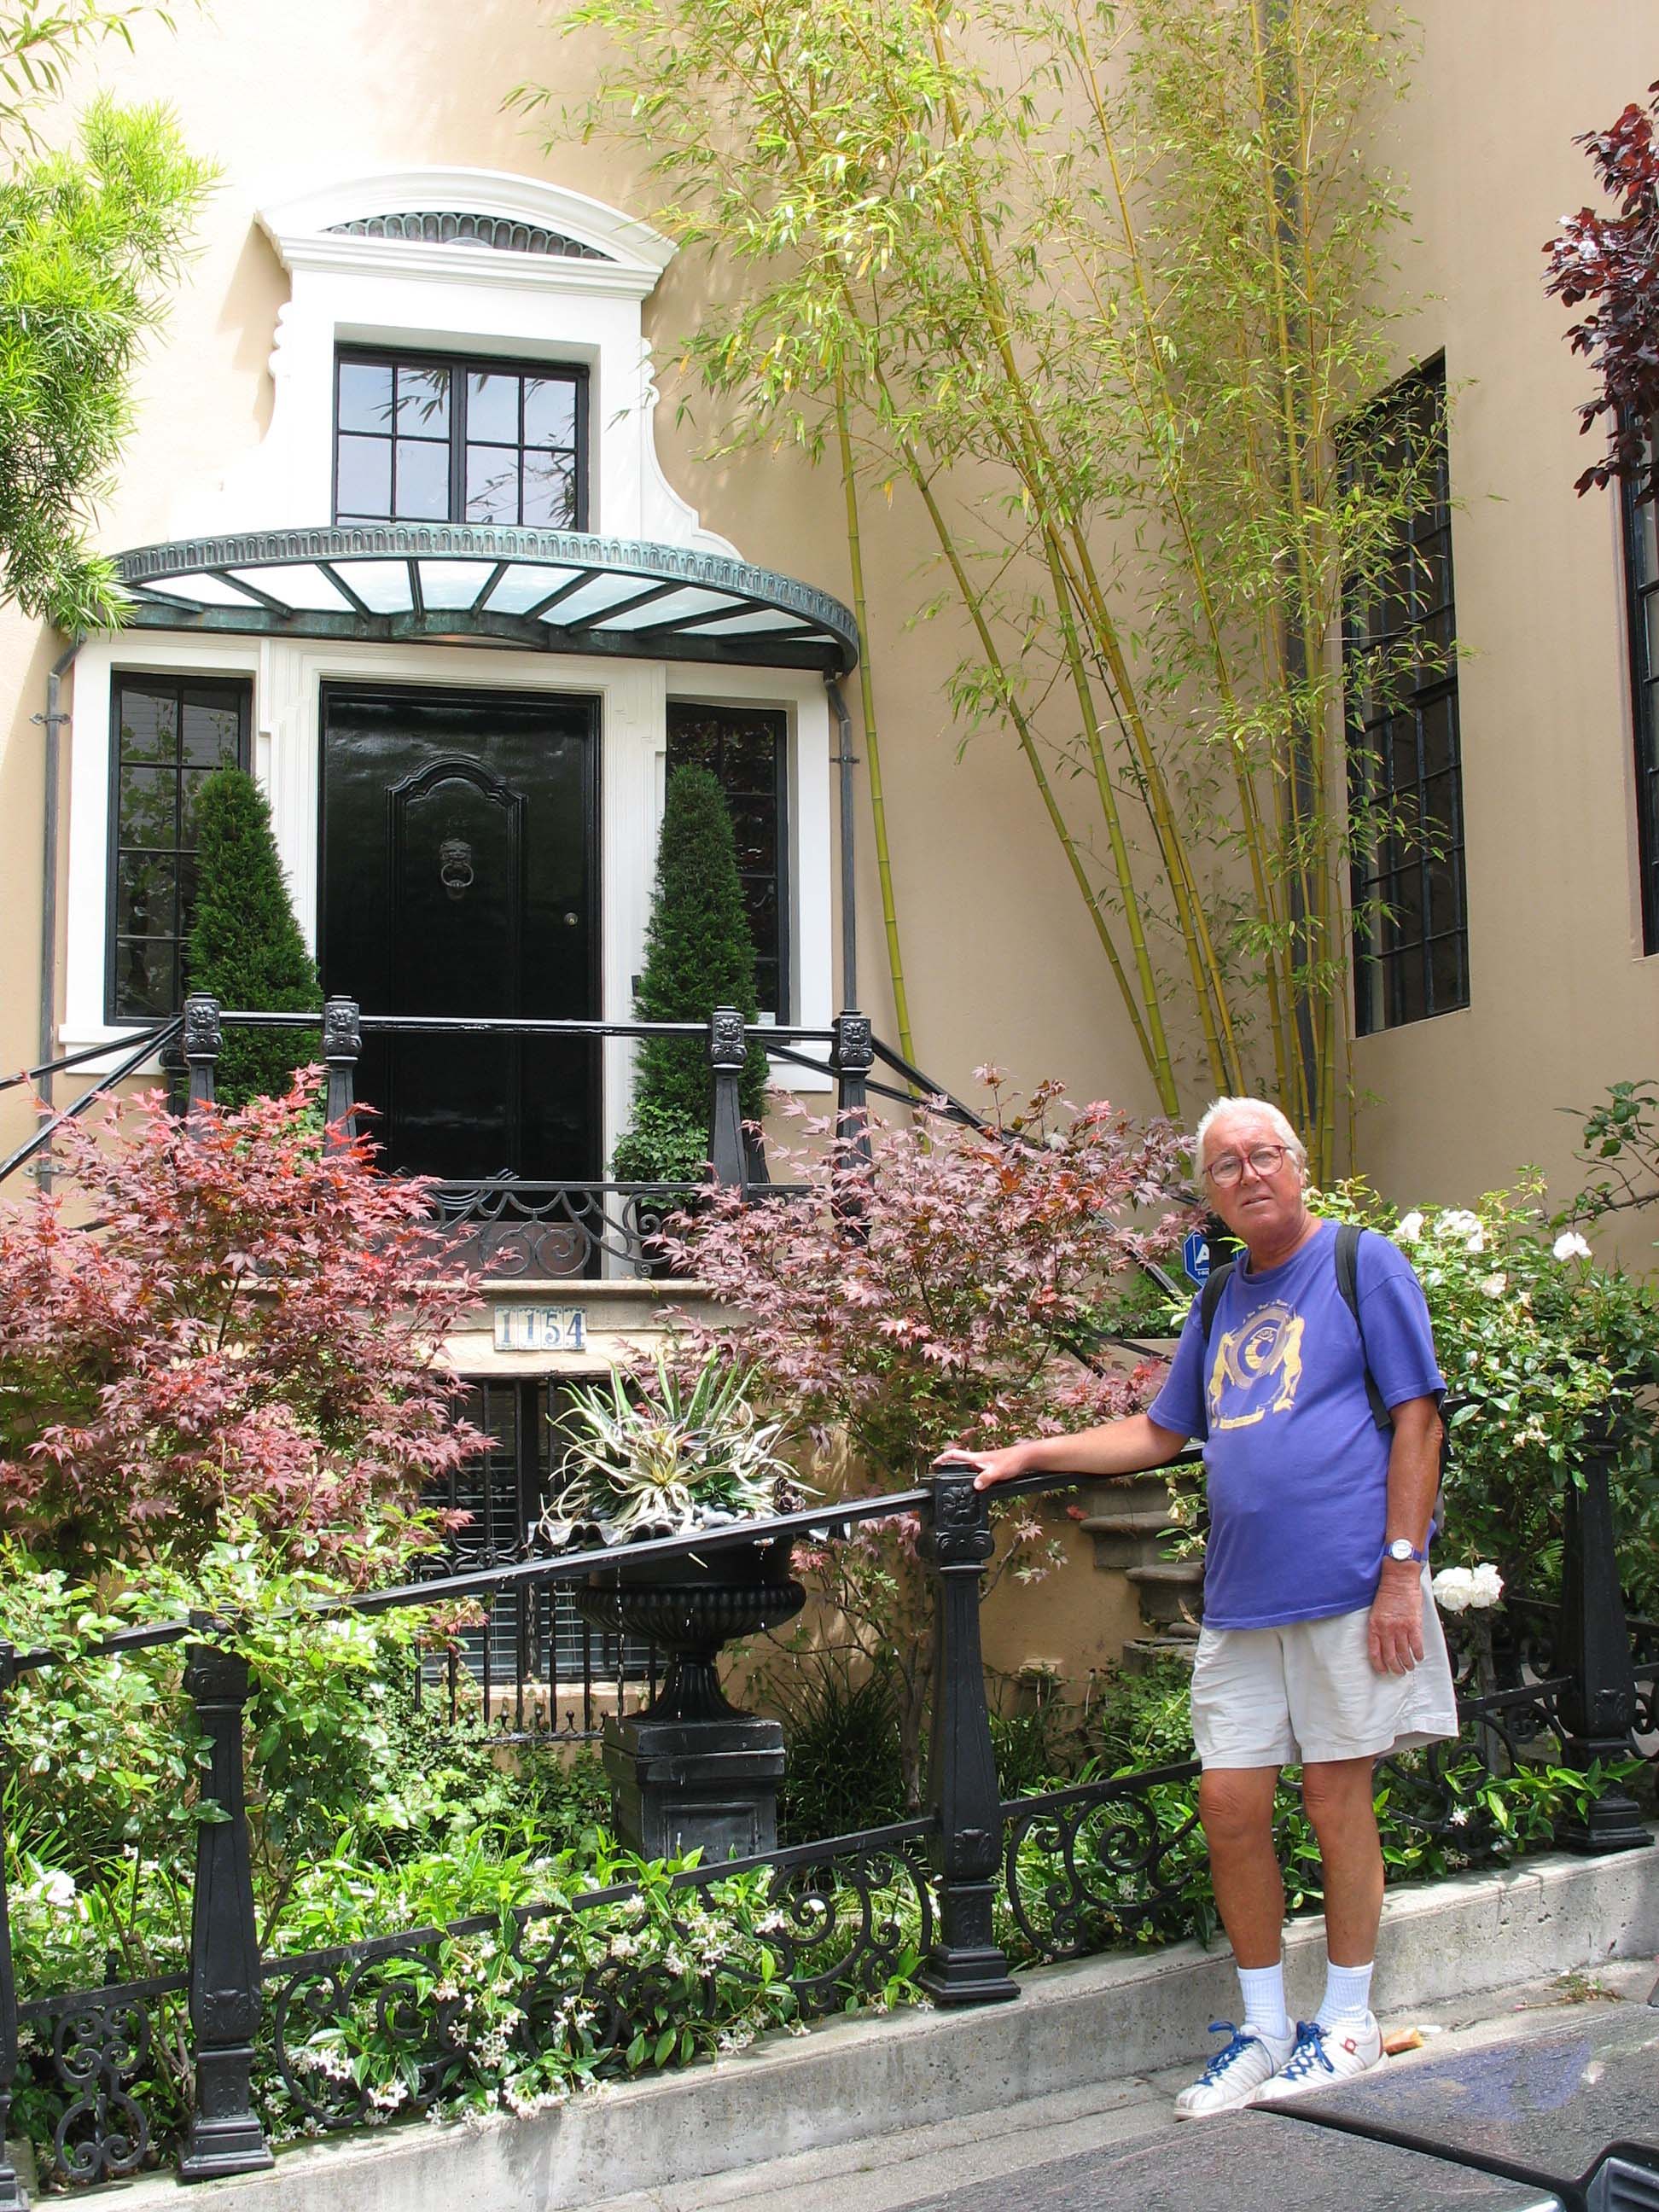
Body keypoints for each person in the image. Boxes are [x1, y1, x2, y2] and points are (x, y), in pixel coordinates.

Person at [952, 1095, 1457, 2118]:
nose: (1249, 1175)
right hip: (1239, 1602)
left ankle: (1348, 2020)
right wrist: (1027, 1454)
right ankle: (1268, 2029)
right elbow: (1158, 1434)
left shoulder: (1364, 1264)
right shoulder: (1222, 1297)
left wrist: (1402, 1568)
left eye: (1264, 1155)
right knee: (1230, 1808)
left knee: (1333, 1801)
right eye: (1226, 1167)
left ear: (1299, 1164)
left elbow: (1419, 1418)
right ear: (1212, 1197)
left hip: (1347, 1590)